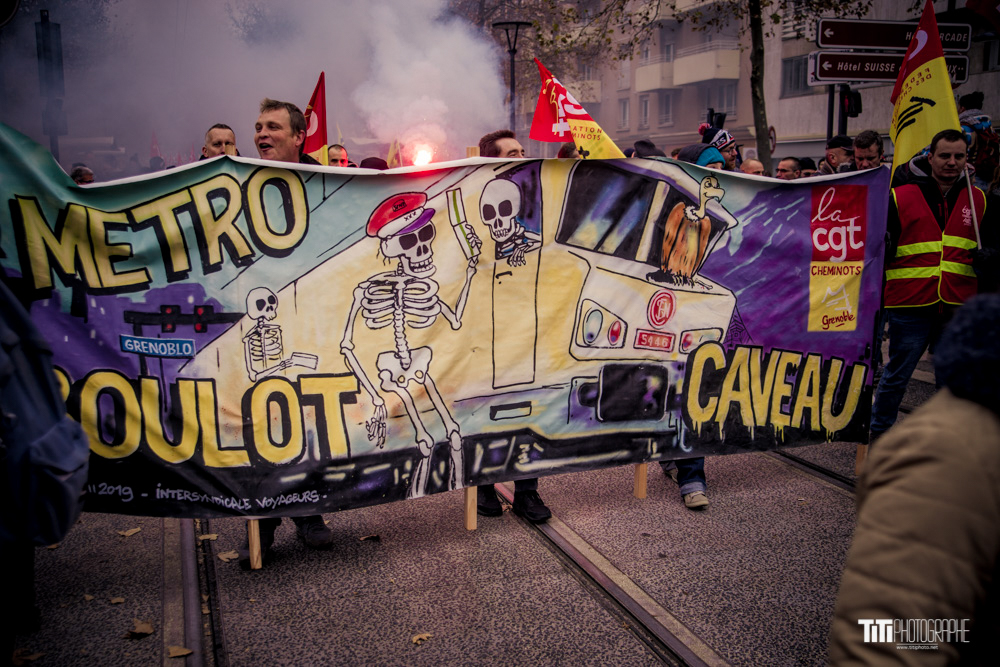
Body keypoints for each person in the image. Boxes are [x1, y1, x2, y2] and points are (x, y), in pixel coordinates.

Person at [829, 294, 1000, 665]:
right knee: (895, 378)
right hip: (916, 299)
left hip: (943, 298)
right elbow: (888, 638)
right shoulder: (951, 452)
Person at [240, 98, 330, 567]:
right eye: (258, 127)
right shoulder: (237, 185)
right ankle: (262, 523)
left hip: (310, 319)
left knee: (312, 419)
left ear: (299, 136)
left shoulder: (328, 183)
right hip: (259, 323)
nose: (262, 134)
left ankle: (310, 512)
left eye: (273, 127)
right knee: (264, 425)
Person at [869, 129, 994, 442]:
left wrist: (991, 257)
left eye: (959, 156)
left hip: (958, 304)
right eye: (945, 155)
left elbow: (993, 246)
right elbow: (877, 248)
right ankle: (879, 435)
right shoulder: (900, 196)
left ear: (967, 159)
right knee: (897, 377)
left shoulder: (979, 199)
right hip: (910, 303)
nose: (952, 162)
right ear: (930, 157)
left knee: (951, 381)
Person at [474, 129, 550, 524]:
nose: (521, 157)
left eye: (522, 152)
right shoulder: (472, 229)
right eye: (511, 154)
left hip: (524, 334)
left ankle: (527, 490)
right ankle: (483, 484)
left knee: (526, 411)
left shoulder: (535, 227)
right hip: (482, 338)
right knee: (482, 412)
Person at [958, 90, 997, 192]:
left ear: (962, 108)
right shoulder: (989, 127)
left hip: (970, 177)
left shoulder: (963, 129)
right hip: (989, 176)